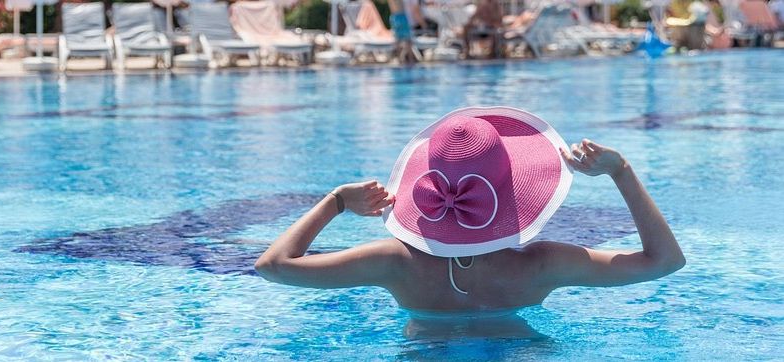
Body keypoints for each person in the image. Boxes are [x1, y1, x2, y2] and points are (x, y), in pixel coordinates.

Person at [255, 107, 685, 336]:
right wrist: (621, 171)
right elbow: (664, 261)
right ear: (514, 191)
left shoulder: (393, 263)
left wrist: (335, 202)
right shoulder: (541, 265)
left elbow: (273, 266)